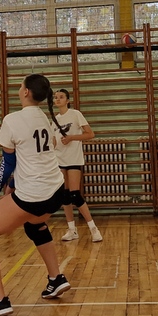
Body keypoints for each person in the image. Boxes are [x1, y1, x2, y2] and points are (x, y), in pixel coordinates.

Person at [0, 74, 72, 316]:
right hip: (56, 190)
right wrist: (14, 184)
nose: (18, 89)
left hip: (34, 194)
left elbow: (8, 162)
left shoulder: (12, 119)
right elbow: (33, 157)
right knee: (35, 225)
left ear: (26, 92)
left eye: (20, 86)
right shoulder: (45, 118)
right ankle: (56, 278)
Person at [52, 88, 102, 242]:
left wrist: (71, 137)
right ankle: (72, 229)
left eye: (61, 97)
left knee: (75, 194)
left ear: (67, 100)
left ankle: (93, 228)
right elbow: (54, 140)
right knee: (64, 196)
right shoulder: (54, 119)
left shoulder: (75, 114)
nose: (57, 99)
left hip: (73, 158)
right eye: (55, 97)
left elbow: (90, 134)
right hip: (59, 159)